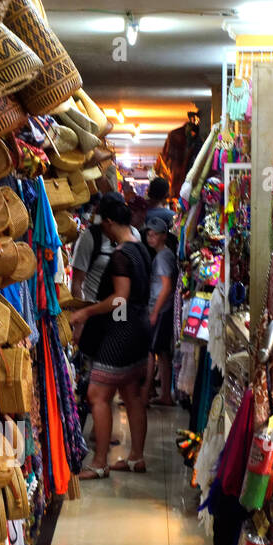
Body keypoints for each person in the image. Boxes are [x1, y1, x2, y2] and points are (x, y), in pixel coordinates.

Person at [69, 194, 152, 475]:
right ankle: (135, 458)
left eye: (102, 223)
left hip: (122, 331)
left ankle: (99, 463)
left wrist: (86, 313)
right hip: (140, 327)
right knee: (131, 394)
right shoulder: (140, 248)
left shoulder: (120, 255)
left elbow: (120, 299)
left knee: (97, 394)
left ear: (108, 221)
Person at [143, 214, 177, 405]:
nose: (150, 237)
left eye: (154, 234)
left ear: (164, 235)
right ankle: (165, 395)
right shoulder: (165, 255)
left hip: (161, 308)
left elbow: (166, 287)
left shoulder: (163, 257)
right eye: (149, 234)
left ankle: (146, 392)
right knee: (163, 354)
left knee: (150, 351)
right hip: (164, 308)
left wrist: (154, 311)